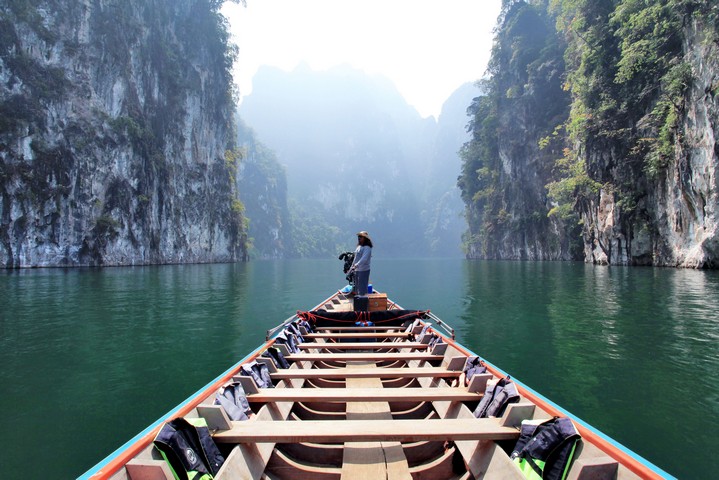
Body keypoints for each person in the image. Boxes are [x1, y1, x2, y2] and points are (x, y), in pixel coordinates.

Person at [349, 231, 373, 296]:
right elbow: (355, 259)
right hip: (357, 270)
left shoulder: (367, 248)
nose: (359, 238)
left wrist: (356, 265)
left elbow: (364, 259)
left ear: (365, 238)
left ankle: (363, 302)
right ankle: (358, 301)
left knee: (362, 289)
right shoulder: (359, 247)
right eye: (358, 236)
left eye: (361, 237)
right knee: (357, 288)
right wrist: (351, 268)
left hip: (363, 270)